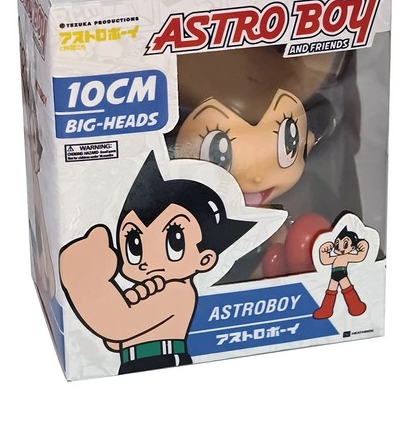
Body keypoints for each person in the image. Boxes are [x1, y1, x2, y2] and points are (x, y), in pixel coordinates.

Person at [59, 152, 255, 374]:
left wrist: (84, 280)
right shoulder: (155, 287)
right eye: (134, 243)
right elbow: (115, 339)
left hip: (162, 362)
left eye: (174, 242)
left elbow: (118, 325)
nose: (146, 260)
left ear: (205, 259)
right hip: (134, 362)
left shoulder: (177, 292)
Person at [172, 47, 346, 281]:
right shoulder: (190, 222)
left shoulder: (282, 216)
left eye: (288, 142)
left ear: (308, 142)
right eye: (218, 155)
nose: (256, 178)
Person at [313, 227, 368, 319]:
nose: (339, 247)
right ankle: (326, 310)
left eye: (345, 244)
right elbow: (325, 261)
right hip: (334, 274)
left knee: (347, 290)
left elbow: (359, 257)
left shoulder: (347, 256)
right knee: (330, 291)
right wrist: (323, 251)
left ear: (352, 248)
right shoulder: (336, 257)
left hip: (342, 273)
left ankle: (356, 306)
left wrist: (364, 247)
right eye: (337, 243)